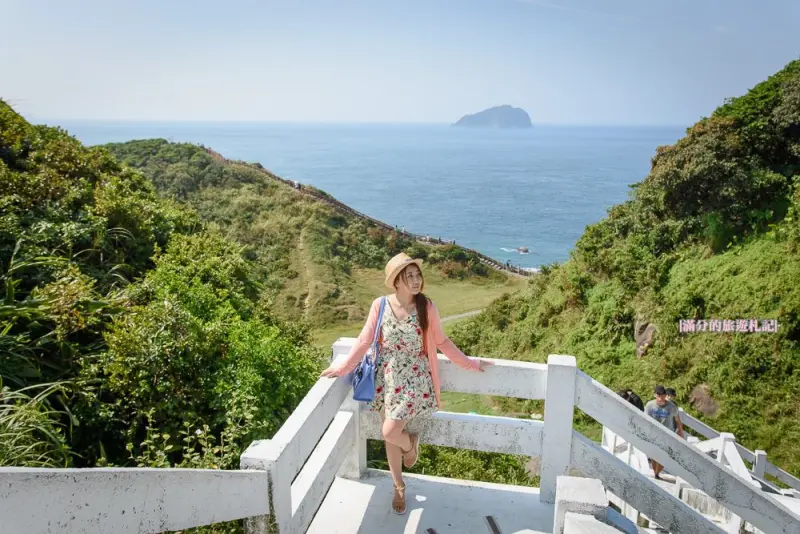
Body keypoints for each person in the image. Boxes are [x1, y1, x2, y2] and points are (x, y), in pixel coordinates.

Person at [320, 252, 493, 515]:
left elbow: (442, 342)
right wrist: (342, 367)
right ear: (396, 281)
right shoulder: (380, 305)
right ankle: (398, 485)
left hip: (413, 378)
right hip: (386, 378)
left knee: (390, 432)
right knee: (390, 436)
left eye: (417, 275)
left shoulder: (426, 307)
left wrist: (472, 363)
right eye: (409, 276)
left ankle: (409, 445)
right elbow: (365, 340)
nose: (416, 280)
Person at [644, 385, 684, 479]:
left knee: (665, 456)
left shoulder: (672, 406)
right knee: (654, 455)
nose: (660, 396)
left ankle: (657, 472)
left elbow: (678, 420)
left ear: (665, 395)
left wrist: (681, 432)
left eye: (662, 394)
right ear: (655, 395)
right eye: (658, 394)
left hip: (667, 434)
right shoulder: (650, 405)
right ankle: (656, 473)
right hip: (654, 434)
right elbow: (645, 419)